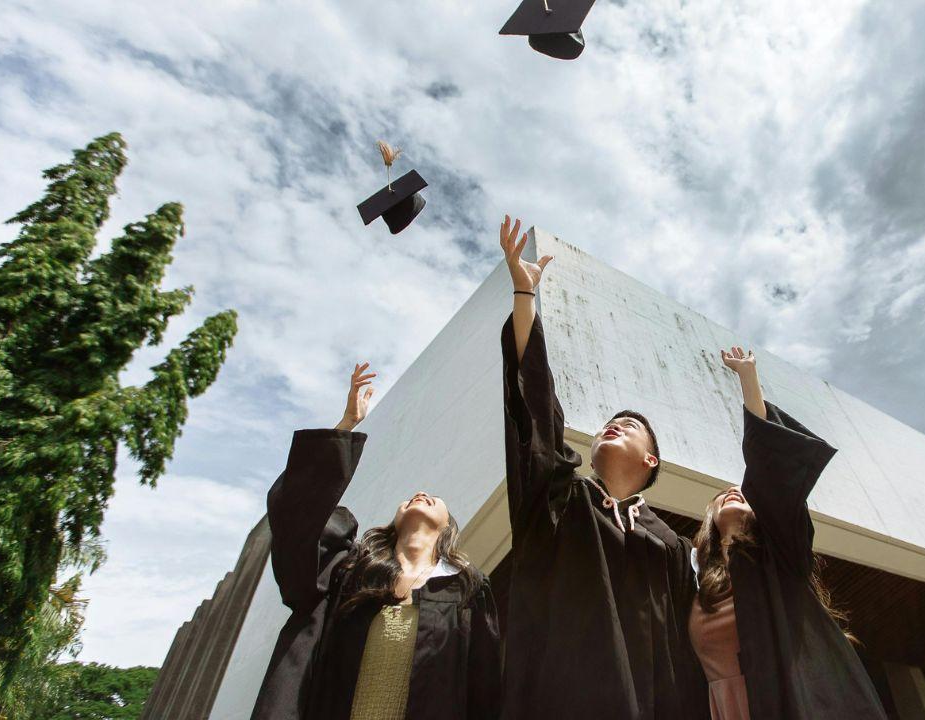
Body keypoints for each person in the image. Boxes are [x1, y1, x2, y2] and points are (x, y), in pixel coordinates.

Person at [497, 215, 707, 719]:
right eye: (608, 423)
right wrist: (525, 296)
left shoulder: (673, 549)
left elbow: (690, 653)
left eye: (628, 426)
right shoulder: (558, 500)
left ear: (651, 459)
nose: (612, 425)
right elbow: (536, 412)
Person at [252, 363, 502, 720]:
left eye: (433, 497)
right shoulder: (350, 570)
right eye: (410, 497)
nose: (420, 493)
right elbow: (297, 519)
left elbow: (484, 690)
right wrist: (345, 426)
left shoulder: (467, 590)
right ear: (394, 521)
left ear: (447, 525)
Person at [689, 346, 888, 720]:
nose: (733, 491)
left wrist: (748, 379)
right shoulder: (695, 579)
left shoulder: (780, 556)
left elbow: (771, 470)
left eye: (744, 493)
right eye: (723, 495)